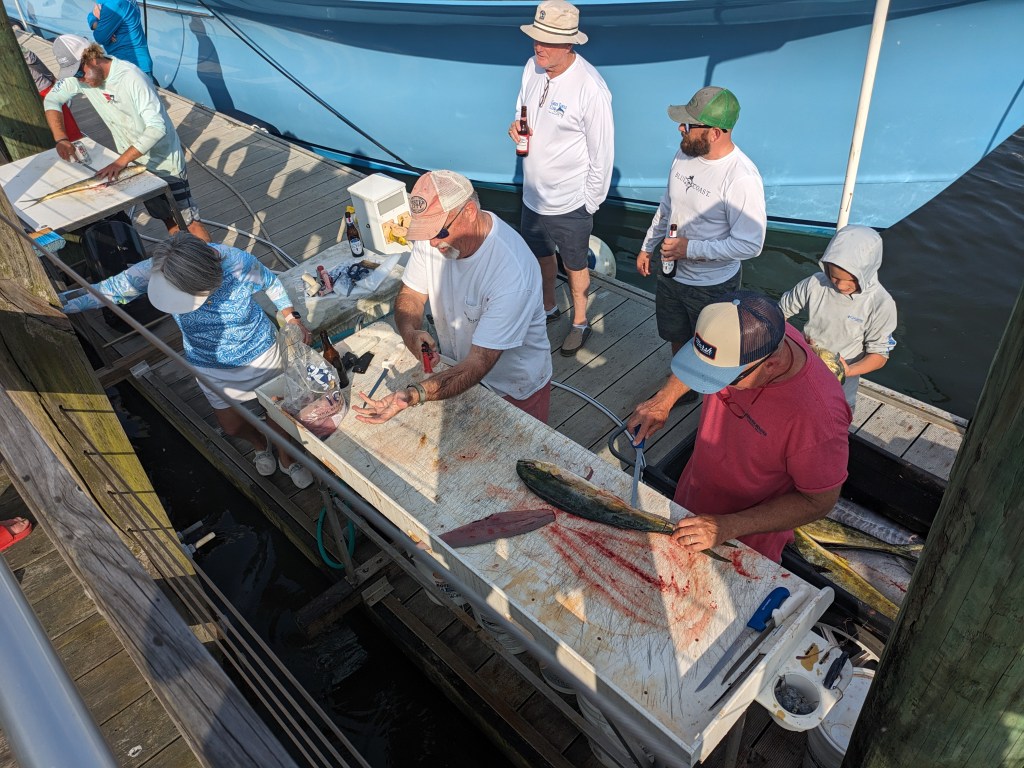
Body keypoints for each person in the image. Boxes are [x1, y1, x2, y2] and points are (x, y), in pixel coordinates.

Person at [60, 233, 315, 489]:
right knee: (231, 426)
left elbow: (270, 282)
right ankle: (260, 443)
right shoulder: (161, 268)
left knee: (279, 413)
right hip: (209, 365)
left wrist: (292, 318)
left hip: (263, 353)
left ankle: (287, 458)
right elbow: (108, 291)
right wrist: (62, 304)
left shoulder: (237, 263)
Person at [627, 291, 850, 562]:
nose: (709, 381)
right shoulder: (751, 330)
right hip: (694, 487)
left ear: (771, 364)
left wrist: (728, 526)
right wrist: (664, 398)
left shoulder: (819, 419)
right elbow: (702, 361)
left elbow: (818, 501)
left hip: (746, 535)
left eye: (723, 376)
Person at [354, 170, 553, 425]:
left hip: (513, 387)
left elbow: (478, 362)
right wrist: (410, 332)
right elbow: (411, 294)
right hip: (456, 370)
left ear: (469, 212)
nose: (432, 243)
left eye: (438, 232)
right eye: (425, 232)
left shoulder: (512, 275)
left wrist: (414, 394)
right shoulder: (434, 237)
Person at [636, 87, 766, 403]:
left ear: (716, 132)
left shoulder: (741, 178)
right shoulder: (685, 153)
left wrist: (689, 249)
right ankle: (683, 388)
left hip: (713, 287)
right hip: (671, 274)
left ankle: (715, 406)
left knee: (713, 350)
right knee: (676, 335)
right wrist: (647, 245)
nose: (681, 129)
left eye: (690, 124)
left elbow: (751, 245)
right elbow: (667, 205)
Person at [509, 0, 613, 356]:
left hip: (571, 202)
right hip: (532, 196)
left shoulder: (590, 88)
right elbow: (521, 110)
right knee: (540, 255)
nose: (537, 46)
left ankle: (580, 321)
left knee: (575, 264)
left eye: (547, 41)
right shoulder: (532, 67)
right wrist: (515, 126)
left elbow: (602, 155)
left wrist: (589, 204)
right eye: (536, 37)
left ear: (569, 44)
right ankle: (548, 307)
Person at [44, 35, 210, 242]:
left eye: (79, 72)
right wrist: (61, 138)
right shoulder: (80, 80)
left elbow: (157, 128)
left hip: (165, 163)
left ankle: (215, 261)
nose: (78, 80)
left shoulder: (132, 77)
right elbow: (52, 100)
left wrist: (120, 162)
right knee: (167, 218)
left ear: (92, 58)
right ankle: (186, 256)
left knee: (190, 222)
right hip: (135, 163)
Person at [779, 224, 897, 409]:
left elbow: (879, 355)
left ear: (867, 271)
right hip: (803, 364)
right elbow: (780, 313)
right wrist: (791, 342)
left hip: (841, 382)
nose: (841, 285)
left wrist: (848, 370)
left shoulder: (881, 304)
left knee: (833, 414)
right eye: (834, 277)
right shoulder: (815, 284)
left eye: (851, 280)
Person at [22, 49, 82, 141]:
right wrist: (52, 78)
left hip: (26, 96)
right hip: (43, 88)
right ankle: (76, 141)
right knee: (65, 120)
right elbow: (31, 58)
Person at [87, 0, 153, 79]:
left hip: (132, 65)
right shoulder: (111, 3)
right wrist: (99, 25)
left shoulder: (114, 4)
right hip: (136, 62)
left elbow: (100, 37)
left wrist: (101, 27)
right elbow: (92, 14)